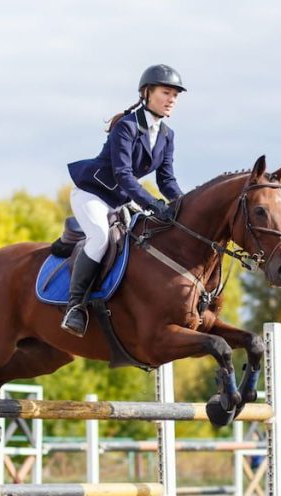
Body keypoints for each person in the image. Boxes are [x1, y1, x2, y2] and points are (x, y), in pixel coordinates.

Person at [61, 64, 187, 337]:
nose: (171, 99)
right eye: (166, 92)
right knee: (101, 238)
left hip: (119, 202)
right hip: (92, 195)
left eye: (175, 95)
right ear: (147, 93)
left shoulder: (167, 135)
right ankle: (75, 306)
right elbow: (124, 174)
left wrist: (184, 204)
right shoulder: (127, 127)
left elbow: (166, 180)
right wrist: (153, 204)